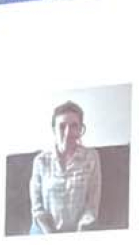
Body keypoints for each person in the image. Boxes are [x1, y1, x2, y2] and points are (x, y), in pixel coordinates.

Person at [29, 100, 102, 234]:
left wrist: (79, 231)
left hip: (80, 231)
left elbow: (92, 207)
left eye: (74, 126)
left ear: (80, 129)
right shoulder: (40, 161)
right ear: (54, 130)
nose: (68, 133)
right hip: (44, 231)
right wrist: (50, 234)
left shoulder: (91, 157)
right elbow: (37, 209)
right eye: (62, 126)